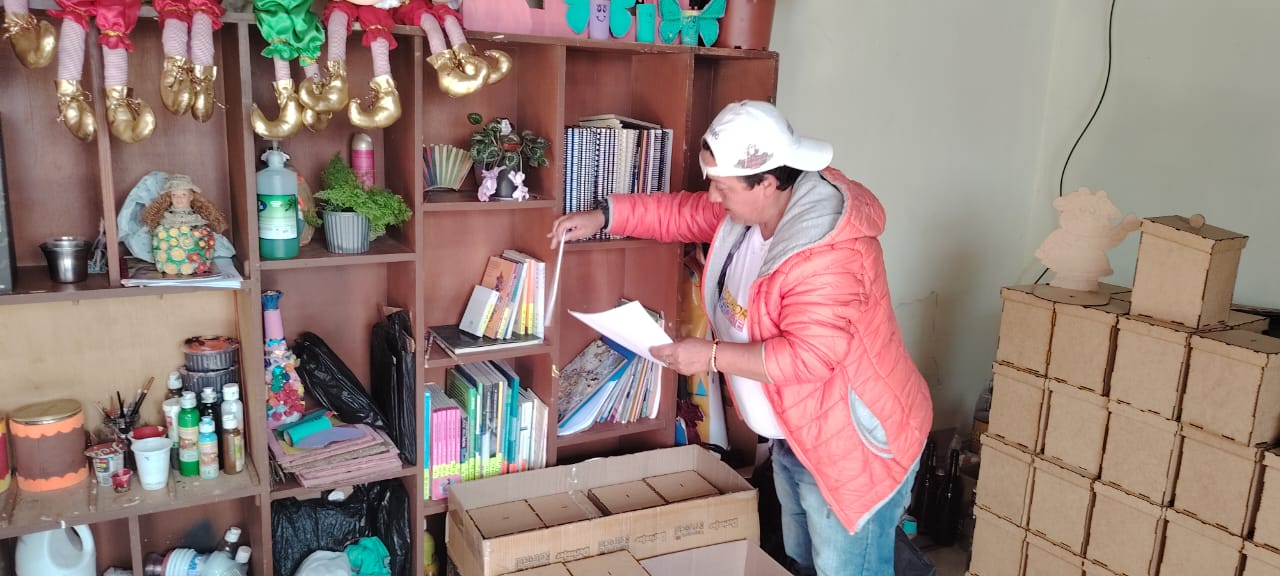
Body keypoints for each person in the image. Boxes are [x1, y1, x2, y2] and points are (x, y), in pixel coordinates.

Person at [549, 100, 933, 576]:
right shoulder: (753, 213)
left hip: (849, 446)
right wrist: (604, 217)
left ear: (767, 182)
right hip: (795, 435)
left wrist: (710, 356)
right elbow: (683, 213)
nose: (713, 196)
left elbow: (809, 358)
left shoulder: (829, 255)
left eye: (723, 186)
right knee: (801, 561)